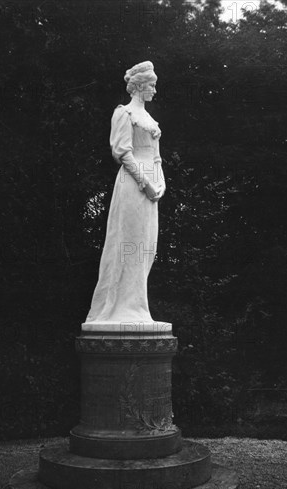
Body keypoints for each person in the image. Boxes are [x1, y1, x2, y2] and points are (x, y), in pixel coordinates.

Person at [84, 61, 166, 325]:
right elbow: (122, 153)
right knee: (130, 242)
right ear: (140, 86)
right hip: (133, 183)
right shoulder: (124, 114)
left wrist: (160, 183)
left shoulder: (151, 120)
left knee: (147, 245)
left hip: (152, 186)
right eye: (151, 85)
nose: (154, 89)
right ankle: (122, 309)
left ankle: (139, 307)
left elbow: (156, 158)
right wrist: (146, 182)